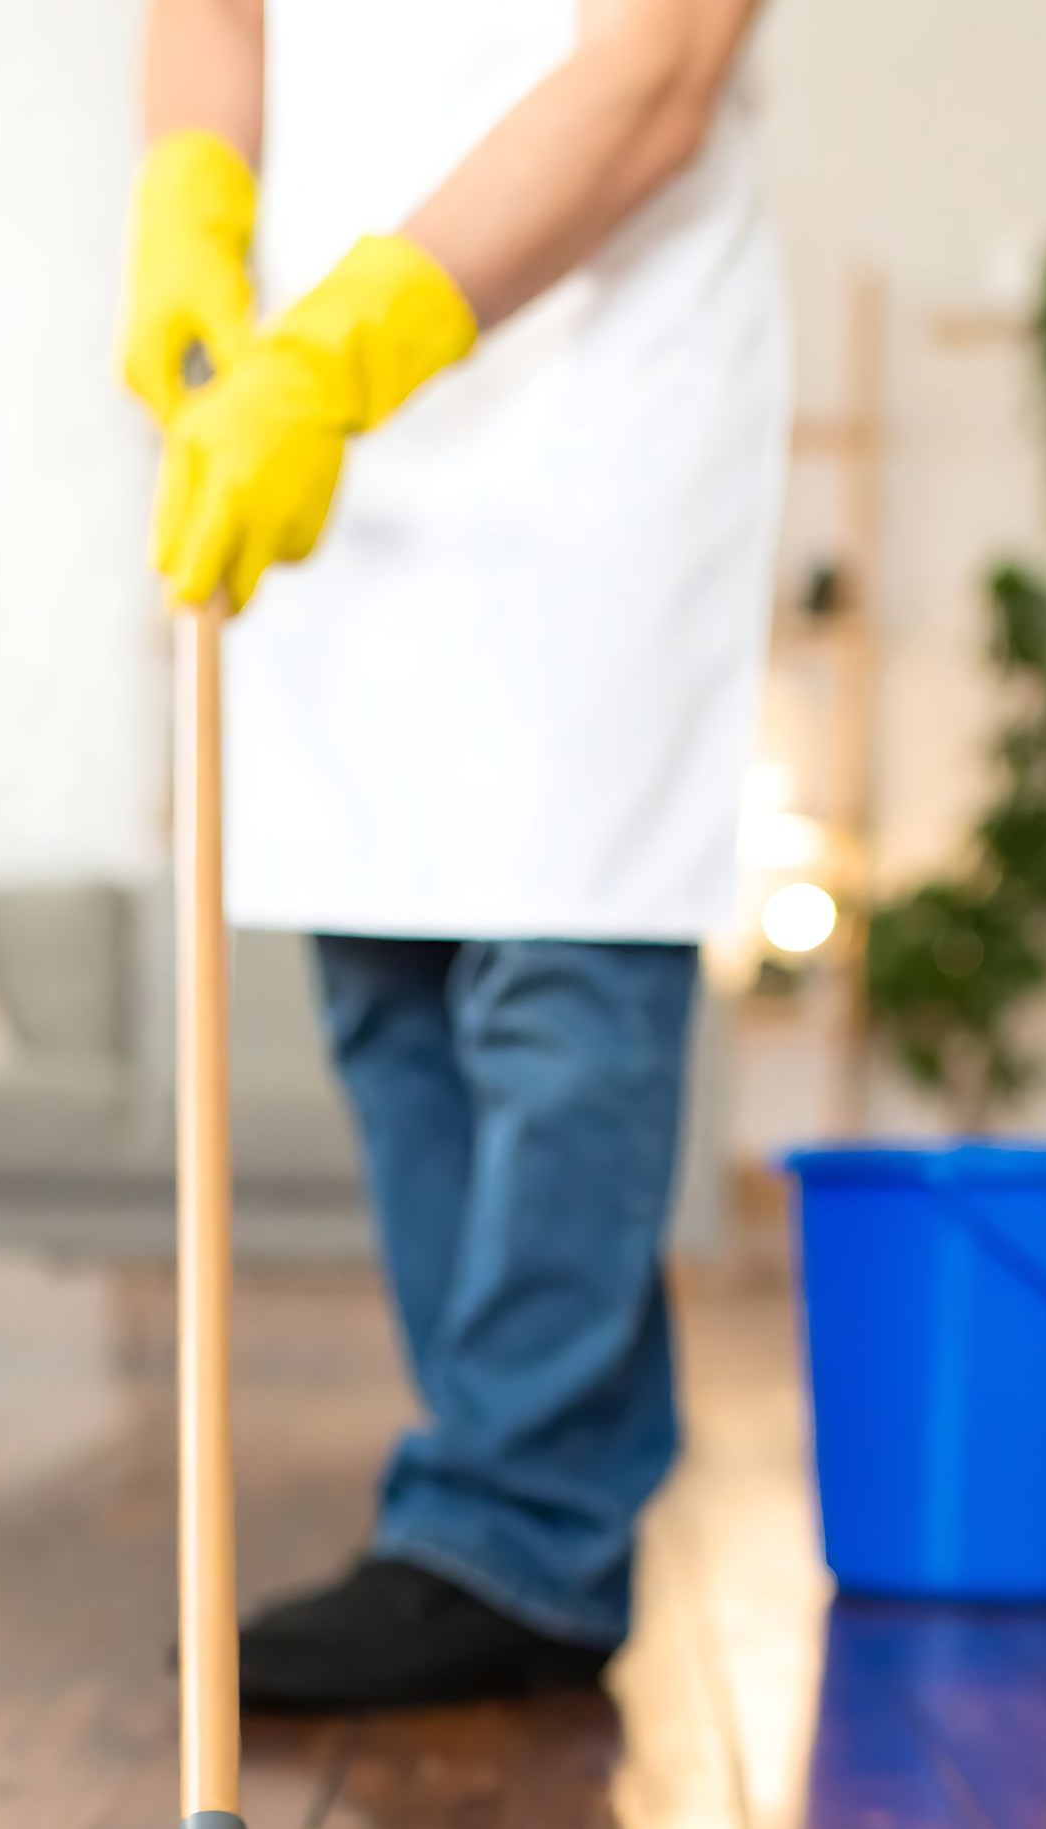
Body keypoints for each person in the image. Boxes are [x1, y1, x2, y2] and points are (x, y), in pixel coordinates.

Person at [122, 0, 787, 1709]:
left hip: (590, 366)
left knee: (559, 977)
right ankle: (517, 1512)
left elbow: (657, 75)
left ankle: (516, 1525)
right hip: (319, 399)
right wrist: (186, 204)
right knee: (386, 973)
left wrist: (344, 349)